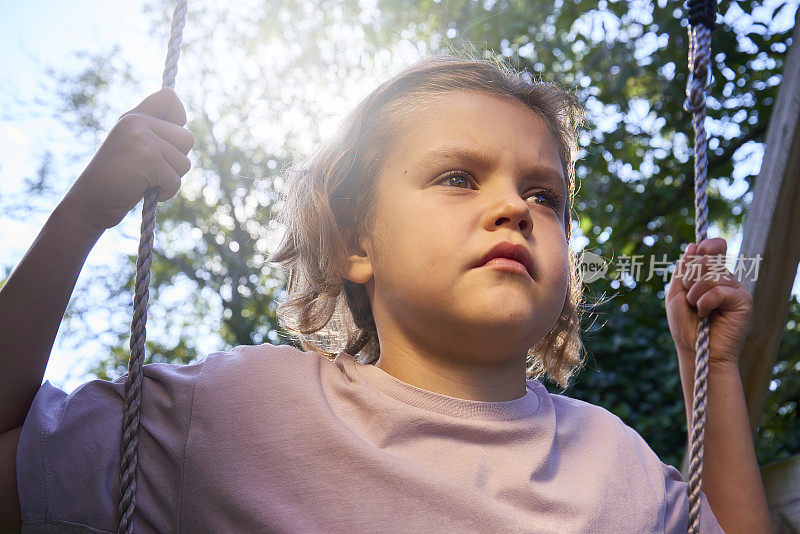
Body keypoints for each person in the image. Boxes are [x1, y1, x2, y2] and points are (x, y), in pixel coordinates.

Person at [0, 53, 771, 533]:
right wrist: (85, 216)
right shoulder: (240, 413)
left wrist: (714, 369)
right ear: (353, 246)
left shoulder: (615, 463)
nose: (514, 208)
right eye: (458, 177)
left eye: (546, 196)